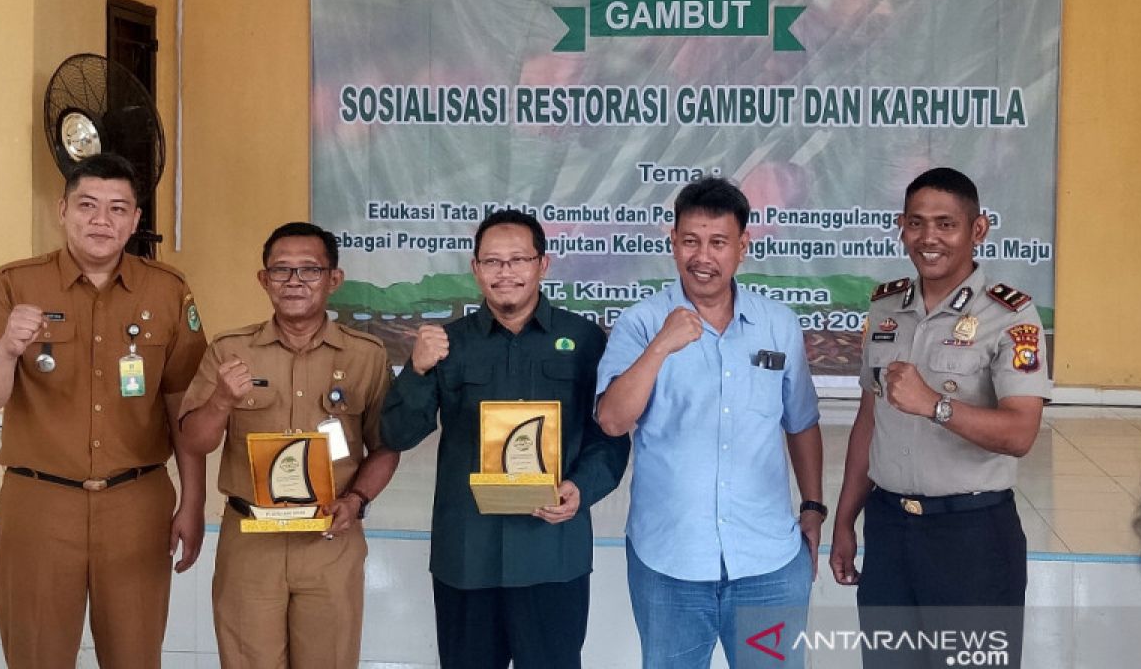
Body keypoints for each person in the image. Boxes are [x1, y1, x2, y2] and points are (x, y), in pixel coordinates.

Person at [0, 153, 207, 668]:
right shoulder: (15, 284)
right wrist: (7, 346)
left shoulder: (168, 290)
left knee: (136, 657)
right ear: (63, 210)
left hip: (136, 504)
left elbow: (181, 405)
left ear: (136, 220)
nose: (102, 220)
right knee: (36, 657)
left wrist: (192, 502)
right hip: (41, 502)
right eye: (88, 205)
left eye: (118, 208)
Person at [381, 209, 630, 669]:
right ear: (475, 269)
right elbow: (396, 434)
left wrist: (582, 489)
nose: (506, 273)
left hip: (552, 555)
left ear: (543, 265)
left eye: (518, 259)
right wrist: (416, 370)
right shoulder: (446, 343)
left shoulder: (583, 339)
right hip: (467, 557)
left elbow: (610, 438)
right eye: (492, 262)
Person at [595, 176, 823, 669]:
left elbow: (801, 422)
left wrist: (813, 506)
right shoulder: (640, 322)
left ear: (743, 246)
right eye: (690, 241)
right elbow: (612, 420)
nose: (703, 256)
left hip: (768, 560)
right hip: (669, 560)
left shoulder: (777, 324)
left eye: (718, 242)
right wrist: (661, 345)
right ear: (672, 242)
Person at [829, 167, 1051, 668]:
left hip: (972, 537)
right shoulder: (886, 308)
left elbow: (1020, 433)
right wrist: (845, 520)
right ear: (901, 226)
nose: (929, 238)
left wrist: (935, 404)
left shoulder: (1011, 316)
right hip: (888, 529)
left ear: (978, 230)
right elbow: (870, 421)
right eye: (916, 223)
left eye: (946, 224)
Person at [178, 222, 398, 667]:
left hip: (330, 540)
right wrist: (222, 399)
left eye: (309, 270)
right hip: (250, 544)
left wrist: (356, 501)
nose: (294, 282)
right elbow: (195, 441)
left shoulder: (367, 355)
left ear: (334, 279)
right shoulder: (230, 350)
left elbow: (385, 447)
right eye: (281, 270)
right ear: (264, 280)